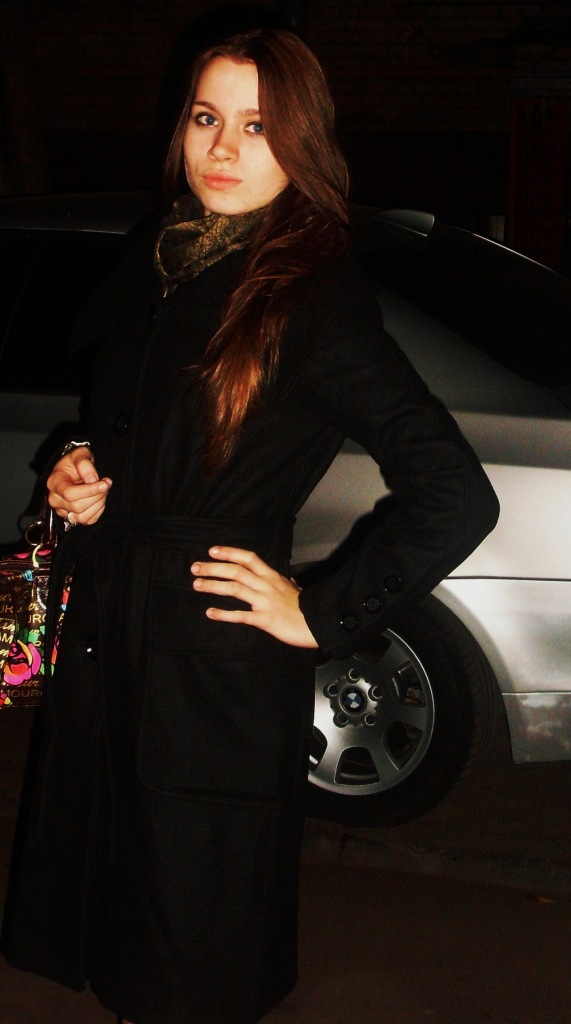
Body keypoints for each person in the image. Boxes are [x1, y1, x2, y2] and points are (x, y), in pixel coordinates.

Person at [2, 27, 499, 1024]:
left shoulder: (310, 298)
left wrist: (319, 611)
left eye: (258, 126)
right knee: (119, 919)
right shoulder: (164, 262)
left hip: (209, 671)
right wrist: (78, 468)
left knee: (194, 942)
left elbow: (454, 491)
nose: (223, 149)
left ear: (301, 142)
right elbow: (131, 428)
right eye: (205, 118)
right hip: (113, 636)